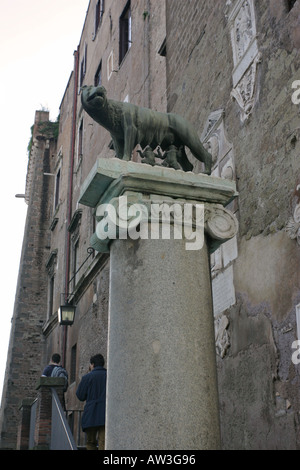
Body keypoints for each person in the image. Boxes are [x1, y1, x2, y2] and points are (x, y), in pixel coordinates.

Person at [76, 354, 107, 450]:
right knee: (104, 442)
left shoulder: (87, 377)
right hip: (105, 414)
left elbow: (80, 396)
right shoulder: (110, 375)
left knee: (90, 442)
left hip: (91, 414)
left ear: (92, 364)